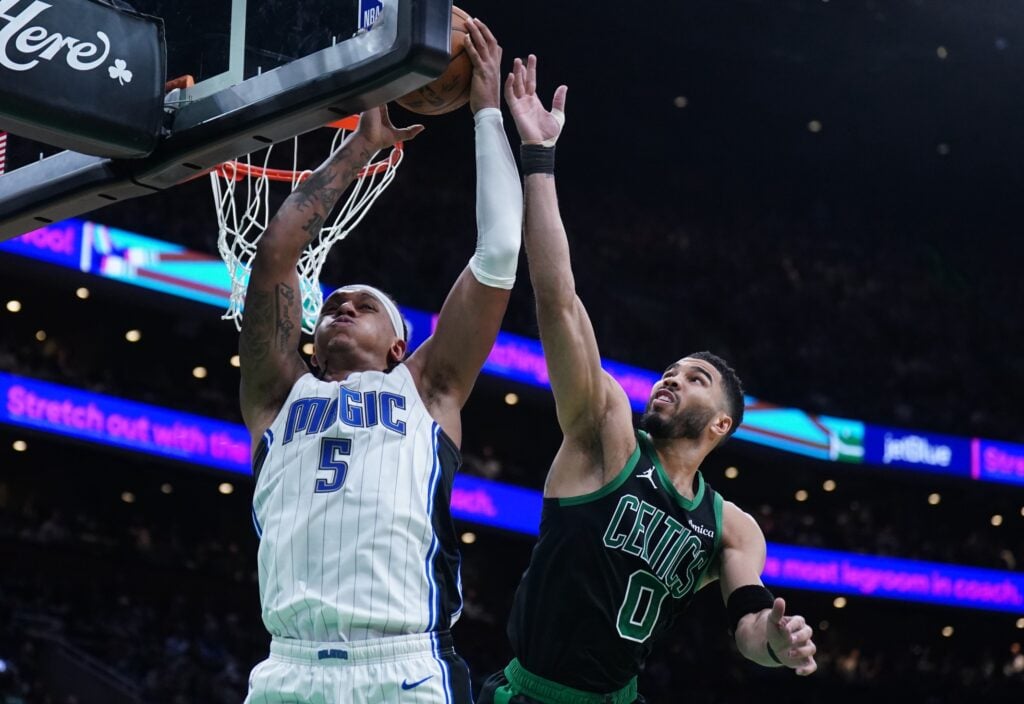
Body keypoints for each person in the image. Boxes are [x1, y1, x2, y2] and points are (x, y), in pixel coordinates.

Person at [477, 55, 818, 704]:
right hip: (532, 694)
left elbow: (748, 625)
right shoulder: (604, 433)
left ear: (721, 423)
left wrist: (776, 643)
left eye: (694, 378)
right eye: (669, 372)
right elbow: (558, 300)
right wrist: (539, 158)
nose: (671, 379)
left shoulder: (732, 527)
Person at [239, 19, 519, 704]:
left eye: (363, 306)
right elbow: (275, 256)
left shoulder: (427, 388)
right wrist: (360, 147)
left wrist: (487, 112)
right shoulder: (278, 396)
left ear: (399, 346)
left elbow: (499, 255)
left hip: (402, 665)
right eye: (333, 304)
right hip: (287, 668)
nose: (340, 308)